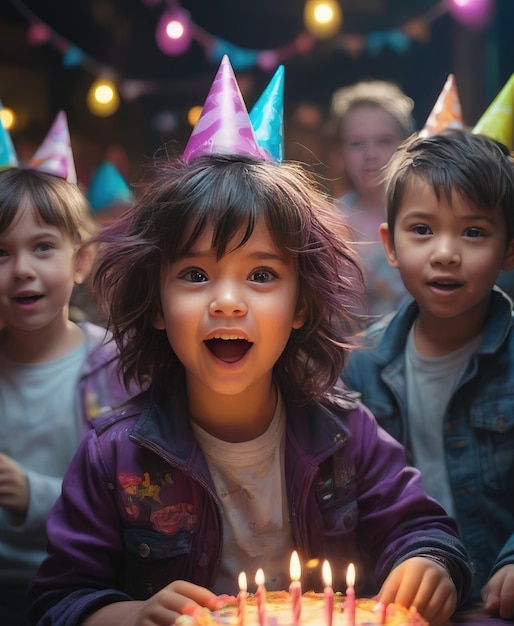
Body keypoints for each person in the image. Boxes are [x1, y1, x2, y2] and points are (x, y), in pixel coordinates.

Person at [341, 129, 514, 619]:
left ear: (509, 250)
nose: (445, 253)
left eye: (473, 232)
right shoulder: (360, 363)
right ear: (389, 245)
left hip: (495, 600)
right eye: (422, 230)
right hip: (400, 596)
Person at [0, 167, 137, 624]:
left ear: (81, 261)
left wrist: (31, 495)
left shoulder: (115, 365)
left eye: (42, 247)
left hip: (90, 586)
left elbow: (132, 491)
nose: (22, 269)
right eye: (1, 253)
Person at [329, 80, 414, 320]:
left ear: (406, 144)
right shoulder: (329, 223)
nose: (371, 154)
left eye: (384, 141)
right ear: (341, 152)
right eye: (356, 143)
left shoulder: (430, 214)